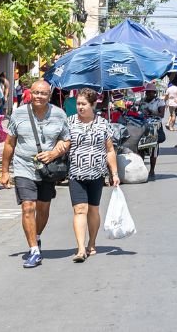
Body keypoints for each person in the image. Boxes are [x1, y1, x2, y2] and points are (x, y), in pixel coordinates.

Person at [1, 79, 70, 268]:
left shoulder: (59, 114)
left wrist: (53, 153)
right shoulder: (19, 114)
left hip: (47, 170)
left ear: (49, 95)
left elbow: (66, 140)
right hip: (23, 166)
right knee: (27, 207)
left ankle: (36, 236)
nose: (39, 96)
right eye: (36, 93)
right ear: (30, 93)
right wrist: (5, 171)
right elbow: (9, 143)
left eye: (43, 93)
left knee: (43, 208)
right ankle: (34, 250)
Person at [64, 88, 119, 262]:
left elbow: (109, 150)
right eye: (78, 104)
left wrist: (114, 173)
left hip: (97, 173)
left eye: (84, 104)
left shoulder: (103, 123)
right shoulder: (69, 122)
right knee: (80, 209)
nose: (80, 107)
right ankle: (81, 249)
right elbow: (62, 144)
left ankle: (92, 242)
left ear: (93, 104)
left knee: (93, 209)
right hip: (76, 173)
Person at [140, 82, 165, 180]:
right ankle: (142, 168)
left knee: (154, 149)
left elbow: (161, 115)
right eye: (147, 92)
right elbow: (138, 111)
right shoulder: (142, 101)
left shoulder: (159, 102)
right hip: (143, 126)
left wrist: (151, 112)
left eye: (151, 92)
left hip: (155, 127)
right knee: (141, 148)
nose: (149, 94)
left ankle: (152, 170)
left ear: (154, 93)